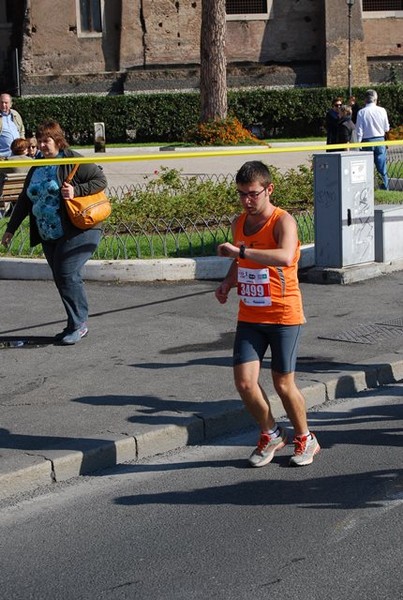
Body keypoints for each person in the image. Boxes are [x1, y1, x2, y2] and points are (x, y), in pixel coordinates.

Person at [215, 161, 320, 468]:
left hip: (284, 314)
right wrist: (227, 281)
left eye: (252, 194)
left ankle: (305, 438)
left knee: (283, 383)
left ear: (268, 189)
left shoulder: (282, 221)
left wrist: (241, 253)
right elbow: (240, 260)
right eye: (241, 194)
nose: (247, 200)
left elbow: (285, 256)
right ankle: (271, 432)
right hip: (250, 314)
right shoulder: (239, 223)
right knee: (245, 383)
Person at [1, 120, 107, 345]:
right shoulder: (38, 163)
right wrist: (10, 229)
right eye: (39, 141)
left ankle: (79, 324)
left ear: (58, 140)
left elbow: (100, 180)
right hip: (48, 234)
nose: (42, 145)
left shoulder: (72, 159)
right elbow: (24, 200)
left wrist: (76, 190)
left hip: (79, 229)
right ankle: (73, 323)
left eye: (46, 141)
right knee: (62, 277)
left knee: (67, 273)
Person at [356, 89, 390, 190]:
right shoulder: (382, 110)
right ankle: (384, 189)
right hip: (380, 140)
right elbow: (386, 128)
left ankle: (367, 190)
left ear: (365, 100)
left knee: (366, 169)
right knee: (382, 169)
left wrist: (358, 144)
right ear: (376, 99)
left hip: (367, 142)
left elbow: (359, 130)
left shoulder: (361, 112)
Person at [0, 93, 25, 157]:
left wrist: (23, 145)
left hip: (18, 154)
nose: (3, 105)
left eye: (6, 103)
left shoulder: (15, 114)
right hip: (3, 155)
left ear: (10, 104)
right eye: (1, 102)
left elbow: (21, 130)